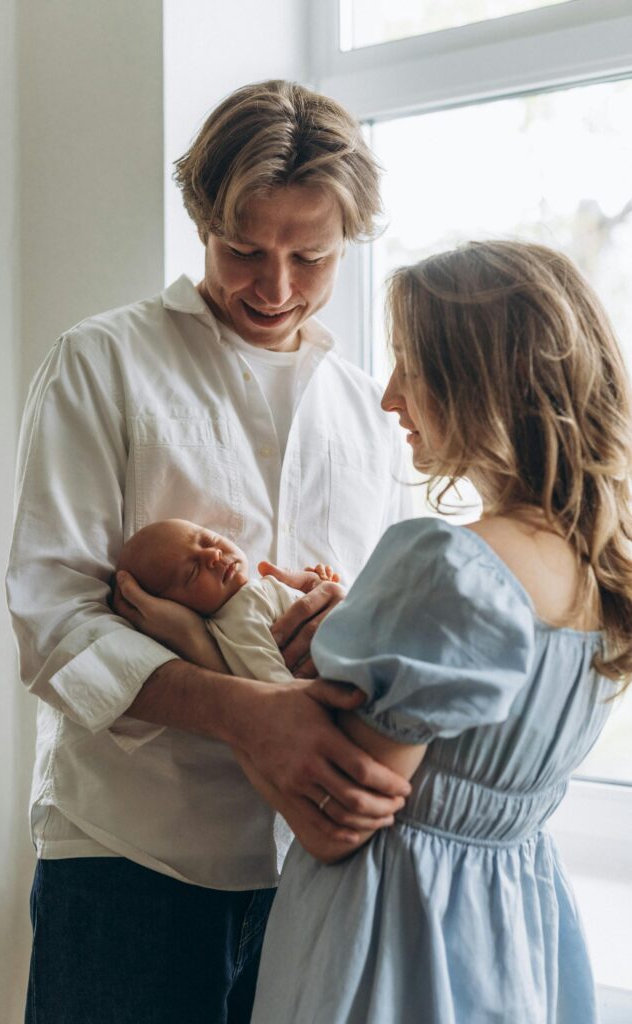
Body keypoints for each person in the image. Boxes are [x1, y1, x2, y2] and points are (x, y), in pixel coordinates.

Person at [6, 79, 412, 1024]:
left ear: (346, 243)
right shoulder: (100, 363)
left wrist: (340, 622)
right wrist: (245, 714)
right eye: (244, 250)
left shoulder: (369, 410)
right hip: (126, 860)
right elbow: (52, 622)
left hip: (319, 876)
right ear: (200, 220)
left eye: (308, 257)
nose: (273, 288)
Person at [249, 240, 632, 1024]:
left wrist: (194, 635)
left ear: (480, 381)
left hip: (396, 938)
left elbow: (335, 818)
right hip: (512, 932)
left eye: (409, 367)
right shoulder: (598, 575)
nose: (389, 399)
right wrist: (368, 619)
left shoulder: (450, 562)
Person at [115, 516, 340, 681]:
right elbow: (276, 686)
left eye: (209, 540)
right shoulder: (239, 622)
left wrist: (316, 584)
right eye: (192, 572)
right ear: (173, 605)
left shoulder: (256, 589)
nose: (213, 555)